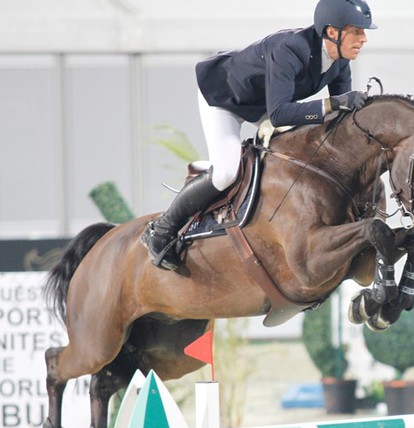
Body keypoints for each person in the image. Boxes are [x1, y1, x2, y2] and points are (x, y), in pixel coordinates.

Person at [143, 0, 377, 271]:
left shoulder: (339, 61)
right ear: (332, 32)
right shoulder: (291, 49)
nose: (364, 38)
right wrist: (335, 104)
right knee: (226, 173)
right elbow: (280, 114)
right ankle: (161, 230)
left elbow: (339, 117)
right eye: (357, 31)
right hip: (226, 98)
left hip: (264, 105)